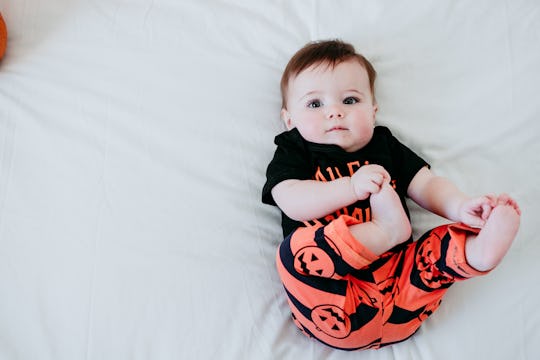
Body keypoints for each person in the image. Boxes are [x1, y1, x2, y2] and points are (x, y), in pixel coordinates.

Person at [261, 39, 521, 350]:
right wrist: (351, 187)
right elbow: (292, 202)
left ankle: (476, 253)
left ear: (373, 111)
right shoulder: (294, 150)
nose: (335, 113)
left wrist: (460, 206)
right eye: (315, 104)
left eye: (350, 100)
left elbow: (425, 184)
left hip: (402, 291)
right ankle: (385, 232)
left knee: (434, 249)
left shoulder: (384, 147)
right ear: (289, 119)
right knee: (294, 254)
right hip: (334, 306)